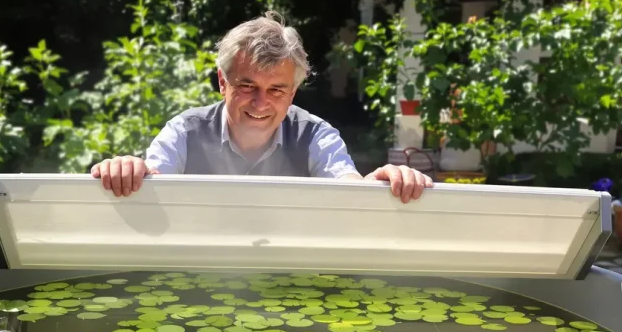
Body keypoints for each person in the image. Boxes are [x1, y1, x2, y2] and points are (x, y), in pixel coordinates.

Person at [90, 11, 432, 204]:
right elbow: (152, 180)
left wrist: (381, 182)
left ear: (293, 91)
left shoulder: (316, 134)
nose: (261, 102)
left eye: (276, 89)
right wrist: (129, 170)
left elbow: (349, 188)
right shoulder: (185, 129)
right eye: (247, 86)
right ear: (223, 83)